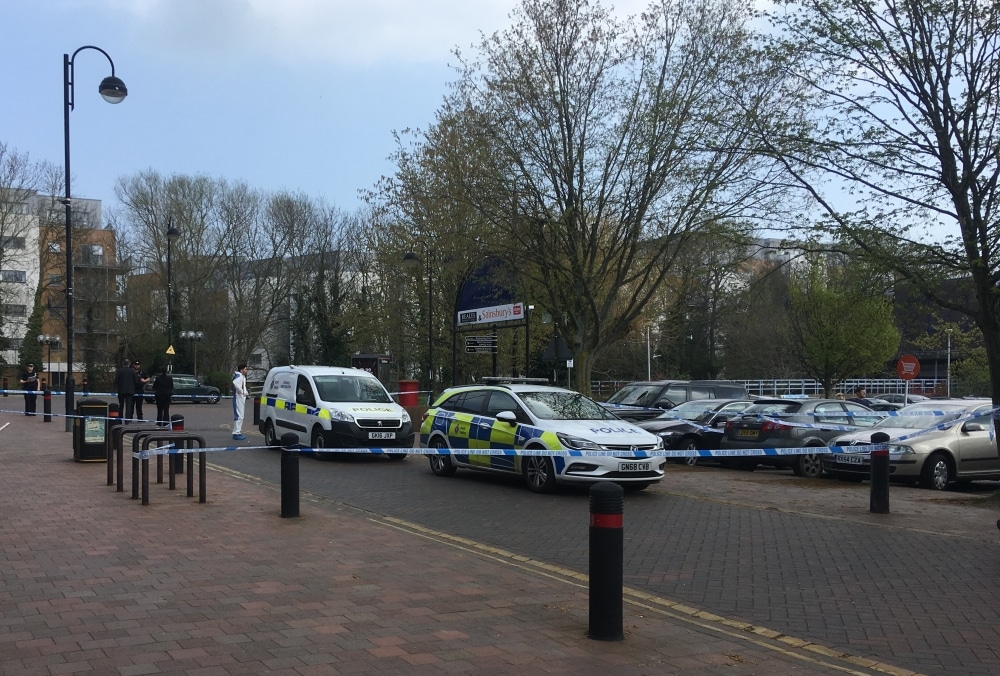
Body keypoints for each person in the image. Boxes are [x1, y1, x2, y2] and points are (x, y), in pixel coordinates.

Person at [231, 364, 249, 441]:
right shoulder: (239, 376)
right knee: (239, 415)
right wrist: (241, 392)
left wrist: (245, 392)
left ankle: (238, 432)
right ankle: (236, 433)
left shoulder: (242, 377)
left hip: (240, 398)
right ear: (241, 370)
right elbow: (235, 383)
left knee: (241, 416)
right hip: (238, 398)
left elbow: (243, 386)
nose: (246, 370)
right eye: (245, 369)